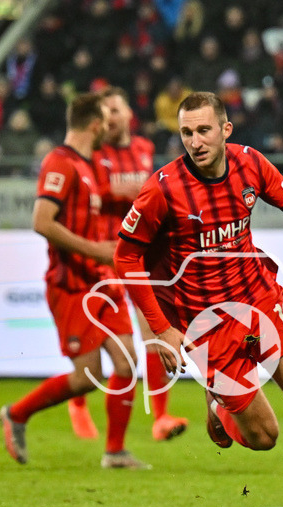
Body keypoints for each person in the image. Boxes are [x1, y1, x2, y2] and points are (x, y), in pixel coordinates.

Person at [113, 91, 283, 507]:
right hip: (205, 324)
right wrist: (163, 329)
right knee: (264, 438)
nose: (195, 141)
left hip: (260, 299)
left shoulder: (251, 164)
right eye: (187, 133)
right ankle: (219, 405)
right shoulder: (163, 188)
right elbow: (126, 257)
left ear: (225, 130)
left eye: (204, 130)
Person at [0, 92, 148, 471]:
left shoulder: (89, 164)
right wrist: (94, 249)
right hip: (71, 283)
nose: (110, 128)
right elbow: (42, 222)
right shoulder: (60, 162)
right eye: (106, 121)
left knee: (128, 359)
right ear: (95, 124)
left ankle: (115, 451)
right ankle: (16, 414)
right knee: (86, 378)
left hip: (101, 278)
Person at [66, 87, 189, 443]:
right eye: (106, 113)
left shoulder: (144, 150)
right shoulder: (92, 154)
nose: (111, 118)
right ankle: (77, 399)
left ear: (129, 114)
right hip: (101, 257)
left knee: (156, 332)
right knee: (93, 345)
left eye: (116, 110)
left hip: (139, 256)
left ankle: (161, 417)